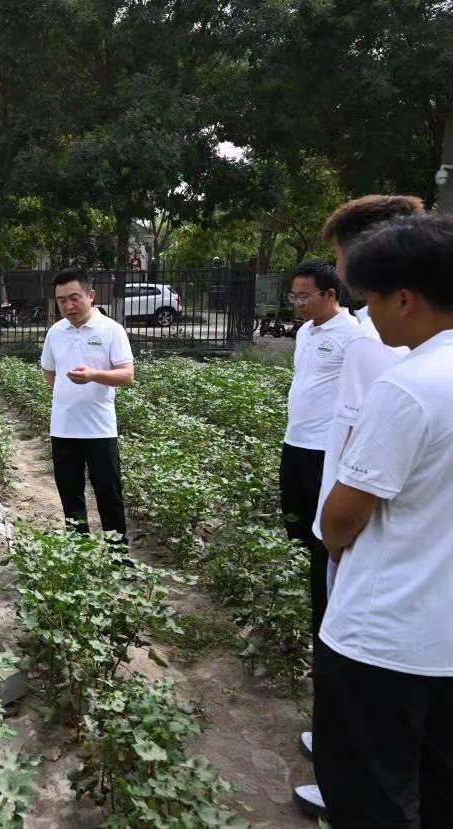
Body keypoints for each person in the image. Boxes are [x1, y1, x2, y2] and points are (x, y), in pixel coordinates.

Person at [316, 213, 453, 827]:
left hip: (385, 635)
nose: (366, 316)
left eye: (370, 300)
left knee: (369, 794)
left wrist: (335, 545)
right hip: (443, 639)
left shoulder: (411, 386)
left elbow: (344, 515)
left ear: (406, 298)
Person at [292, 195, 424, 818]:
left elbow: (364, 480)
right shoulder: (399, 341)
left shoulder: (390, 351)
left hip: (370, 547)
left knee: (358, 671)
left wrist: (335, 536)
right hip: (362, 526)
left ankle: (346, 771)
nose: (343, 275)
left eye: (345, 262)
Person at [281, 259, 356, 638]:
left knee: (322, 538)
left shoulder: (353, 335)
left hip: (323, 451)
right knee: (295, 526)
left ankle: (326, 620)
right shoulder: (306, 333)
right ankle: (305, 600)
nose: (298, 304)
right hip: (294, 443)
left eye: (305, 296)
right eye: (294, 296)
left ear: (330, 294)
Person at [40, 268, 134, 539]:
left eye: (74, 298)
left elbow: (127, 374)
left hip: (100, 430)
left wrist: (93, 376)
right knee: (70, 496)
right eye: (61, 300)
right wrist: (66, 394)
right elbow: (49, 371)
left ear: (91, 295)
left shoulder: (111, 330)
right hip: (63, 429)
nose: (68, 306)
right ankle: (78, 555)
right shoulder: (55, 333)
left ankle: (119, 558)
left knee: (109, 494)